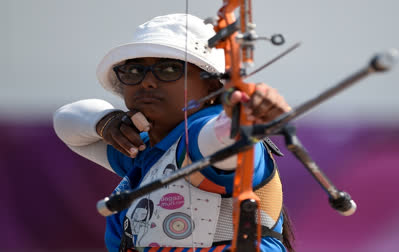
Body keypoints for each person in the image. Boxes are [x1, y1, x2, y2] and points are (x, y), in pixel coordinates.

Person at [53, 13, 295, 252]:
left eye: (169, 69)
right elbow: (66, 122)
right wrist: (106, 122)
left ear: (211, 83)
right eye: (134, 71)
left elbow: (219, 143)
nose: (147, 82)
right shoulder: (143, 148)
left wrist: (239, 120)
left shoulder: (201, 132)